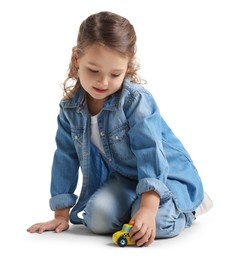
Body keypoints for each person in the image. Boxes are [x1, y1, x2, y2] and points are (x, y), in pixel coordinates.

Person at [27, 11, 213, 247]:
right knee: (96, 220)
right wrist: (61, 215)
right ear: (76, 59)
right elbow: (65, 156)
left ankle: (188, 206)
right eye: (93, 70)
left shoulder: (135, 100)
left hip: (165, 176)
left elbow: (150, 150)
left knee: (160, 224)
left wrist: (147, 207)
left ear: (127, 67)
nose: (103, 82)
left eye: (115, 74)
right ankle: (137, 208)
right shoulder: (70, 108)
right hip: (126, 177)